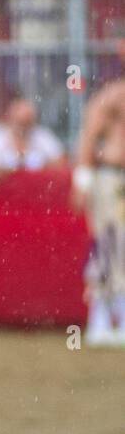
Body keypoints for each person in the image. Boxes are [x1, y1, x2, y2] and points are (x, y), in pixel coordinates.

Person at [72, 60, 125, 347]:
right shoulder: (112, 96)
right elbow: (90, 137)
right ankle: (101, 318)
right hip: (112, 178)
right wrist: (83, 179)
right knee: (107, 244)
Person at [0, 97, 64, 184]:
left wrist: (42, 169)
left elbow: (62, 167)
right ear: (10, 118)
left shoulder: (43, 137)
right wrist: (4, 172)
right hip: (4, 194)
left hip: (37, 193)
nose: (23, 127)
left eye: (27, 121)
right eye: (20, 122)